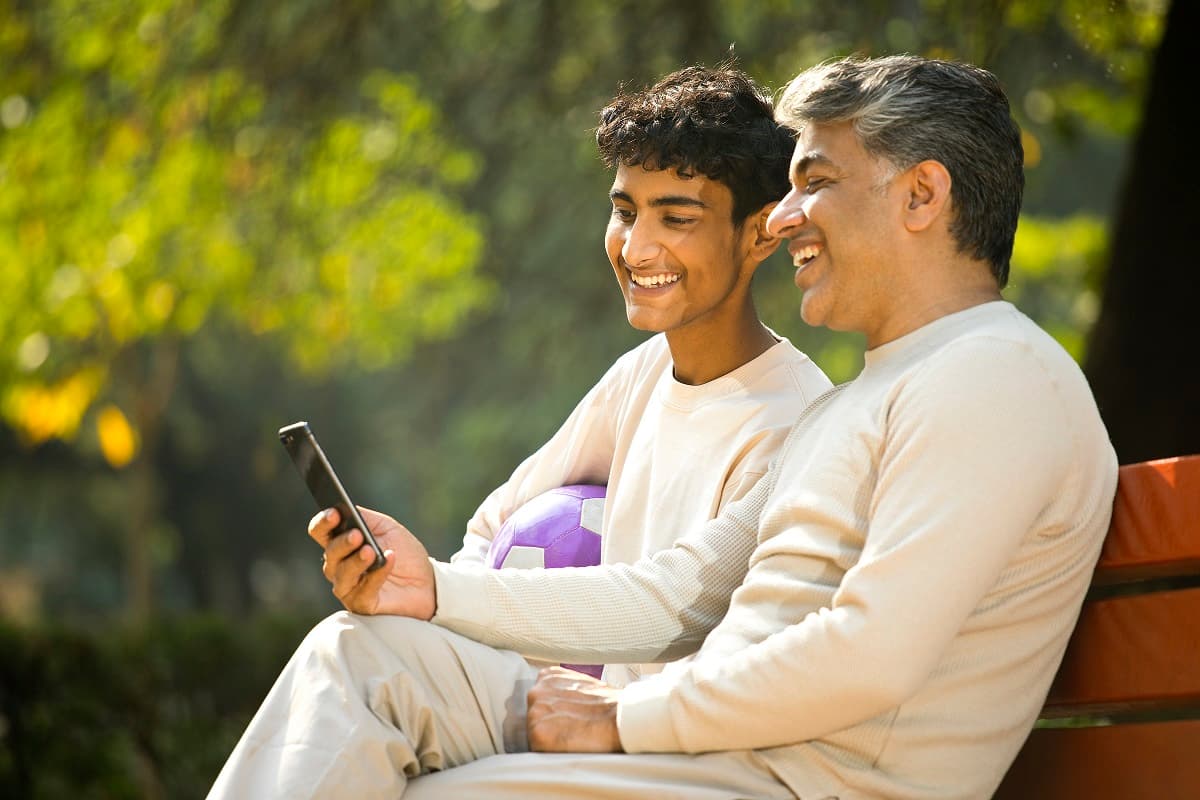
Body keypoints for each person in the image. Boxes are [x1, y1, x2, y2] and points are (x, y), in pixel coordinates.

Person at [209, 54, 1118, 800]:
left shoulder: (998, 375)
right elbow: (675, 594)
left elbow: (871, 655)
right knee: (367, 660)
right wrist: (433, 591)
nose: (788, 215)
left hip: (790, 782)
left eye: (817, 181)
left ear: (922, 196)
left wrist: (625, 719)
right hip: (711, 755)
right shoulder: (864, 400)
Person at [448, 65, 831, 682]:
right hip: (558, 718)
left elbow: (687, 614)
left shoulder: (794, 422)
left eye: (675, 219)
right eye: (626, 212)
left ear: (760, 234)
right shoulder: (641, 374)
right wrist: (454, 623)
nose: (635, 249)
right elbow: (490, 527)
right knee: (357, 647)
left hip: (656, 755)